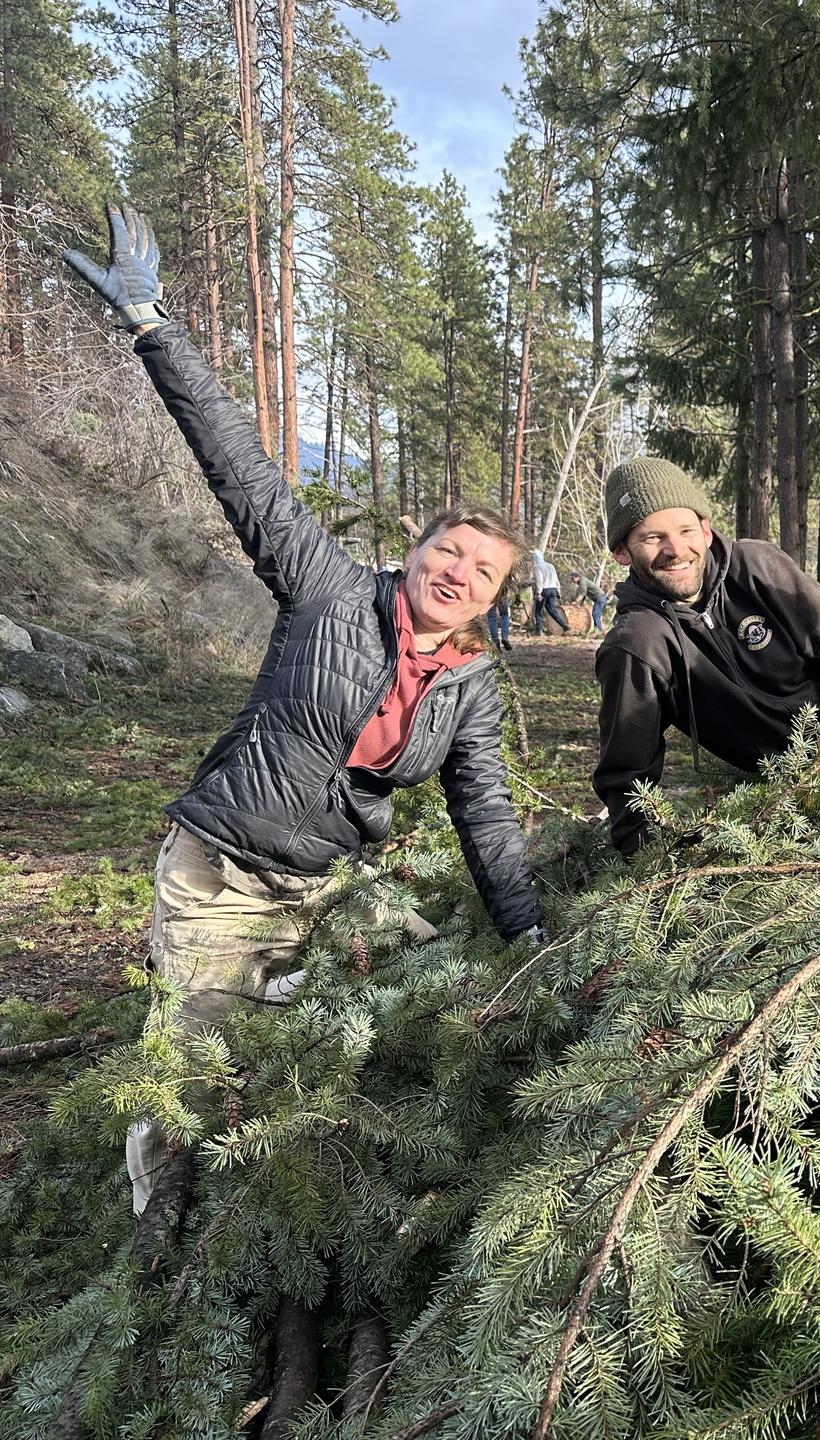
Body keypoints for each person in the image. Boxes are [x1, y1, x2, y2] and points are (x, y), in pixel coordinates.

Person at [63, 205, 546, 1212]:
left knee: (403, 1006)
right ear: (416, 551)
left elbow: (487, 817)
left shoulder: (467, 687)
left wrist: (529, 936)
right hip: (224, 870)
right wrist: (155, 326)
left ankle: (303, 1201)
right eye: (449, 551)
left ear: (497, 600)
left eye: (484, 571)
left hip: (330, 887)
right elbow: (238, 466)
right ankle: (163, 1237)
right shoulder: (326, 589)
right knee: (193, 1066)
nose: (459, 573)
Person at [593, 458, 820, 854]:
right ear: (622, 551)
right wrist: (645, 862)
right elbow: (627, 774)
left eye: (686, 530)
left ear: (706, 530)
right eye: (652, 538)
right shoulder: (638, 645)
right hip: (786, 784)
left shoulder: (757, 566)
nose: (676, 550)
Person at [529, 550, 570, 635]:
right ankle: (564, 625)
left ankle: (539, 631)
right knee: (552, 610)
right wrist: (558, 591)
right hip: (553, 589)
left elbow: (539, 580)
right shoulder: (550, 566)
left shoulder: (538, 566)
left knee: (538, 611)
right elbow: (556, 579)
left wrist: (539, 593)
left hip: (544, 590)